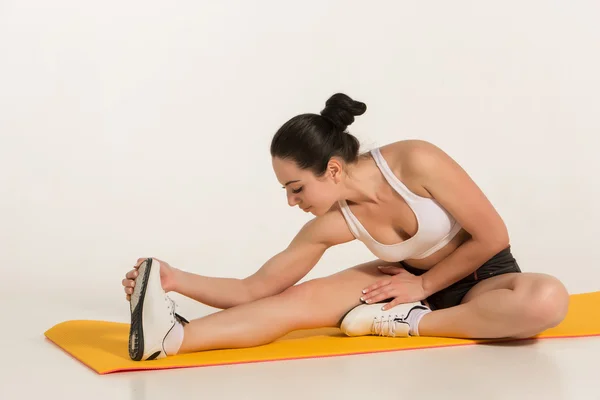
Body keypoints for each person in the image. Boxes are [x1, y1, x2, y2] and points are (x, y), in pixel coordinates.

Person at [122, 93, 569, 361]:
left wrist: (424, 287)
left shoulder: (415, 161)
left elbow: (494, 236)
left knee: (546, 300)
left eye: (296, 188)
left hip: (484, 281)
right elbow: (253, 288)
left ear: (333, 170)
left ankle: (406, 325)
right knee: (293, 302)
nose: (292, 201)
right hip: (404, 286)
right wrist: (173, 278)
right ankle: (174, 338)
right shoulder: (333, 224)